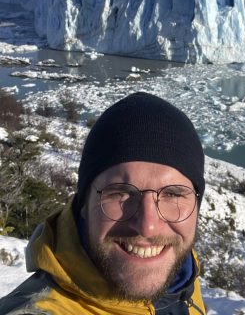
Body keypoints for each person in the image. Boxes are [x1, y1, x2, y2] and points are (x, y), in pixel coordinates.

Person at [0, 92, 206, 315]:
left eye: (173, 194)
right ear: (84, 205)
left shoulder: (183, 275)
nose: (148, 226)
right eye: (119, 193)